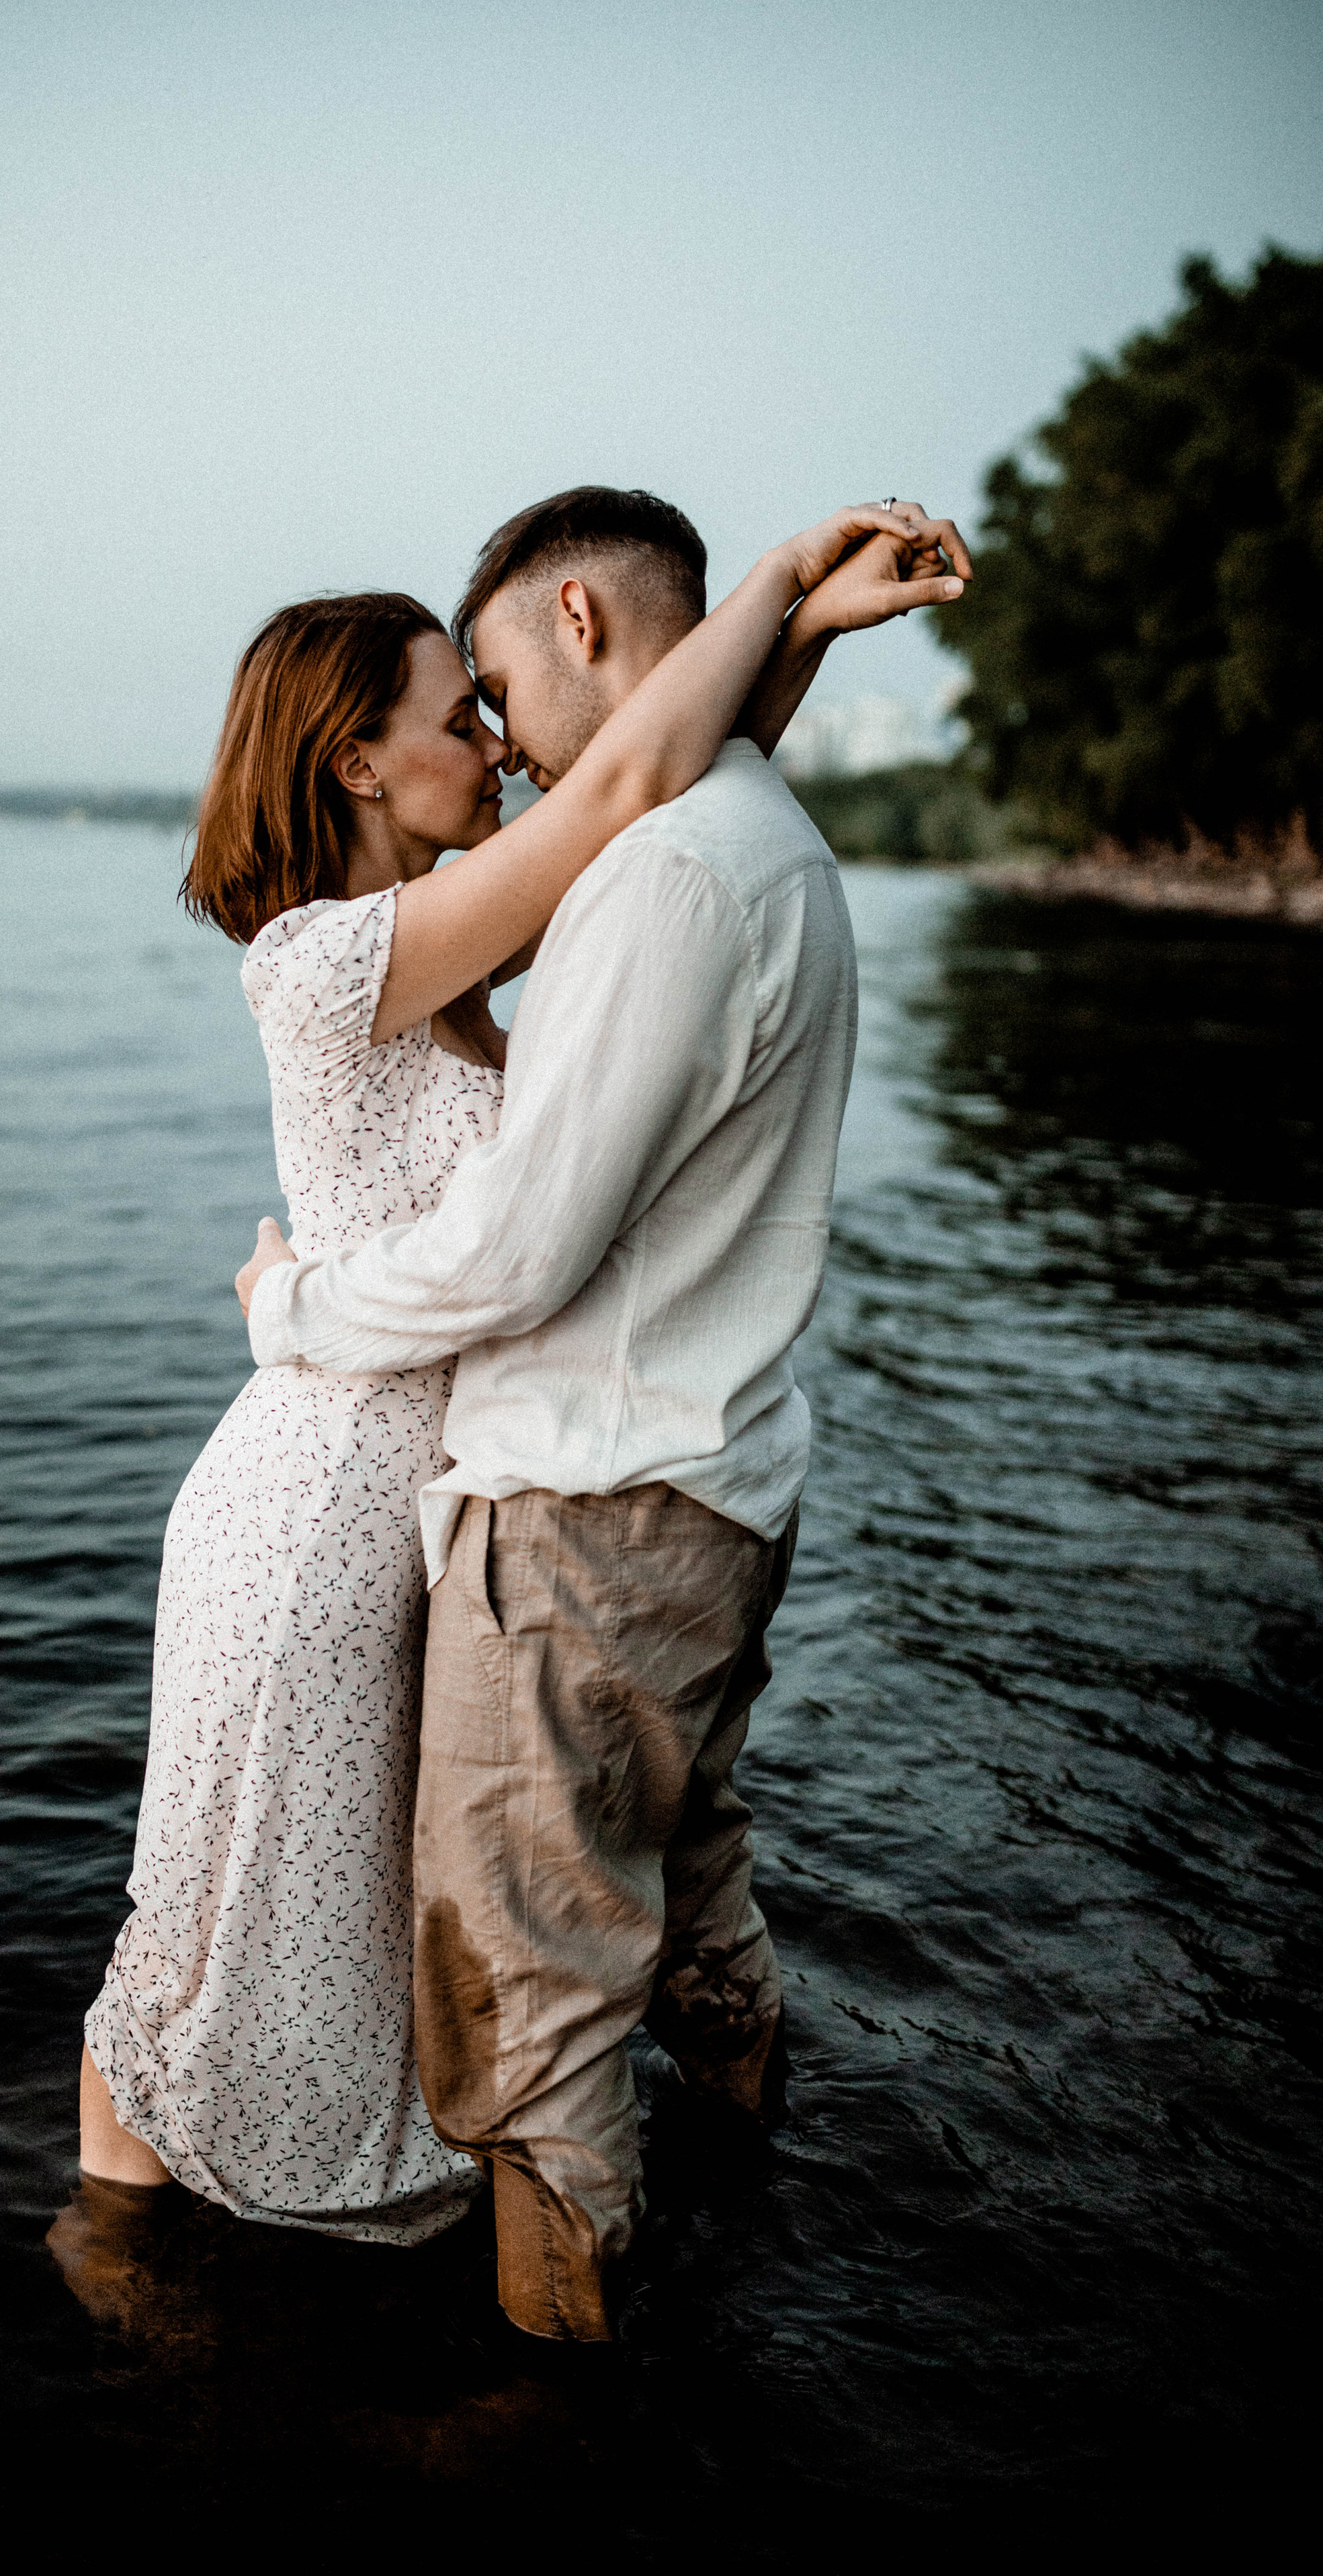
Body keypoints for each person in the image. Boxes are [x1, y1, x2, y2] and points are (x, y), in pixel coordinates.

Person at [81, 490, 966, 2250]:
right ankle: (107, 2257)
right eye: (451, 713)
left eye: (490, 703)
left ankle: (271, 2245)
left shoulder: (476, 949)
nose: (489, 744)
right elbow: (631, 785)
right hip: (321, 1507)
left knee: (336, 1925)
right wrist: (784, 578)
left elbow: (660, 813)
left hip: (427, 1502)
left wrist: (787, 655)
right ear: (352, 764)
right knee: (209, 1904)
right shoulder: (330, 963)